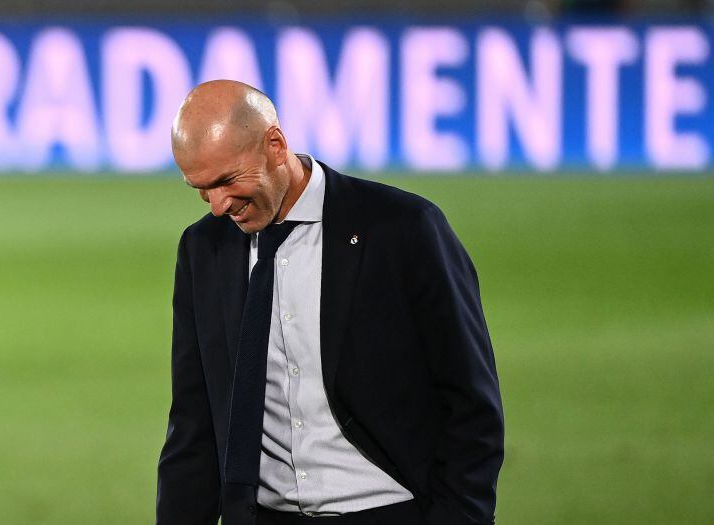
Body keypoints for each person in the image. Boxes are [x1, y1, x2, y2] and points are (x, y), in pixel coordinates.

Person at [156, 80, 504, 525]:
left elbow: (471, 405)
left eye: (226, 180)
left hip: (388, 511)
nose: (219, 206)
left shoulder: (404, 229)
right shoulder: (203, 249)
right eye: (200, 190)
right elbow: (194, 423)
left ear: (275, 146)